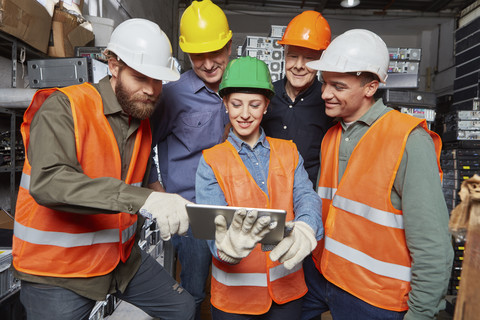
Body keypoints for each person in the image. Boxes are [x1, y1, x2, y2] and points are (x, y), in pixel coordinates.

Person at [12, 19, 195, 320]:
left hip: (120, 260)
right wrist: (145, 200)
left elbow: (138, 175)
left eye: (158, 80)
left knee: (183, 308)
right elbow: (50, 182)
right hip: (59, 271)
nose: (151, 90)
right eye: (141, 77)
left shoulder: (142, 118)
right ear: (113, 65)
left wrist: (163, 196)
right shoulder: (64, 107)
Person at [301, 29, 454, 320]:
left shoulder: (408, 141)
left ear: (370, 88)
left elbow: (432, 243)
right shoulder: (332, 136)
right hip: (325, 278)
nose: (324, 94)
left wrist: (421, 313)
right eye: (324, 83)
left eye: (338, 86)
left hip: (376, 299)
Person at [195, 56, 323, 319]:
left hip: (286, 292)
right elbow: (212, 227)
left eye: (254, 105)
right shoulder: (211, 160)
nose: (244, 114)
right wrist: (225, 247)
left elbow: (305, 196)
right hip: (235, 298)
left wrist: (307, 226)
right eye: (236, 104)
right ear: (225, 104)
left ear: (266, 106)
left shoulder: (288, 152)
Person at [147, 0, 231, 317]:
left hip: (231, 205)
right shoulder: (172, 94)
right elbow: (144, 144)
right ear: (186, 53)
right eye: (198, 55)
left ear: (229, 44)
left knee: (233, 287)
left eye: (215, 53)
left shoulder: (240, 89)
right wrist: (157, 190)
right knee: (194, 291)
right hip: (192, 210)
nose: (208, 63)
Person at [261, 10, 334, 186]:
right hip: (267, 190)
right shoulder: (266, 93)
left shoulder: (329, 101)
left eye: (309, 58)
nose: (299, 66)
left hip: (309, 194)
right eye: (293, 56)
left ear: (321, 60)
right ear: (284, 54)